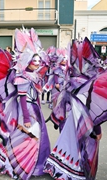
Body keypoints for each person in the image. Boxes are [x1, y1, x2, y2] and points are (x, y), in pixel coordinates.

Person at [0, 27, 51, 180]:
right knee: (28, 137)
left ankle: (37, 164)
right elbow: (23, 99)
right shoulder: (22, 77)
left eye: (38, 60)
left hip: (35, 109)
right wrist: (27, 119)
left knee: (38, 137)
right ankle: (23, 165)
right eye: (34, 60)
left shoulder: (33, 75)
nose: (37, 63)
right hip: (27, 111)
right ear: (27, 61)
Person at [44, 37, 106, 179]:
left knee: (69, 143)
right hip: (84, 121)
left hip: (71, 118)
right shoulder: (90, 82)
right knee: (80, 146)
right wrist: (97, 129)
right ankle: (74, 172)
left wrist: (60, 120)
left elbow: (63, 102)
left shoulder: (71, 79)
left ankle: (62, 169)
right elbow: (92, 109)